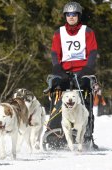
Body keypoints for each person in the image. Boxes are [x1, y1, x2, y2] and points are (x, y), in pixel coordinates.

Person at [43, 1, 99, 149]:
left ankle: (85, 132)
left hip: (83, 70)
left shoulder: (87, 31)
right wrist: (57, 69)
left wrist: (87, 69)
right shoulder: (59, 32)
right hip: (64, 71)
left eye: (74, 14)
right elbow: (55, 52)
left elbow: (93, 52)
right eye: (68, 14)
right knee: (57, 90)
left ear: (78, 15)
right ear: (65, 16)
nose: (71, 17)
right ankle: (55, 127)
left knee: (85, 95)